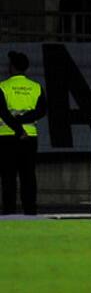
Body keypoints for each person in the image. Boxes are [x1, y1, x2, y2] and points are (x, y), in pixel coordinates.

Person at [0, 51, 47, 215]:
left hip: (7, 137)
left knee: (8, 177)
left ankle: (9, 212)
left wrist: (17, 128)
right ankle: (30, 212)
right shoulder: (36, 87)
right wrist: (24, 121)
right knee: (28, 175)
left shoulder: (3, 87)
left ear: (11, 67)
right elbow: (41, 111)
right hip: (30, 137)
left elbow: (3, 113)